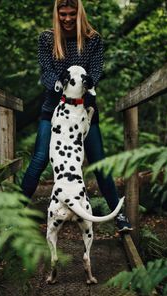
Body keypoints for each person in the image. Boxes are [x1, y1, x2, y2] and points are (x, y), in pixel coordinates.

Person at [21, 0, 132, 232]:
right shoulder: (47, 38)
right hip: (54, 108)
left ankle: (119, 217)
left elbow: (96, 71)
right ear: (57, 13)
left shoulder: (93, 39)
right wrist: (62, 88)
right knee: (40, 159)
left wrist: (80, 91)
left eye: (72, 13)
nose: (68, 18)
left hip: (84, 110)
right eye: (63, 14)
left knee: (99, 162)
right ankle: (13, 214)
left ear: (79, 13)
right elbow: (46, 71)